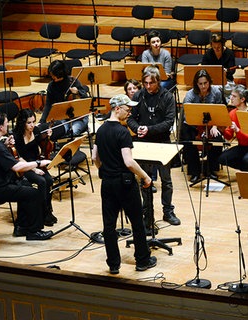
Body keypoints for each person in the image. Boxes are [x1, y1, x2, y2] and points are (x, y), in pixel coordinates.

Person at [92, 94, 157, 274]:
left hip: (108, 183)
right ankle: (142, 260)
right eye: (127, 109)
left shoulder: (101, 130)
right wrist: (145, 176)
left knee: (109, 225)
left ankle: (113, 264)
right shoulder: (122, 132)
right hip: (125, 183)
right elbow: (128, 162)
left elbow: (94, 157)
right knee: (137, 222)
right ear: (116, 108)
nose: (130, 113)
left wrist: (104, 169)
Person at [0, 112, 53, 241]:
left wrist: (5, 145)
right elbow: (17, 167)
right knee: (33, 193)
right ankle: (34, 231)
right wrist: (39, 163)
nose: (7, 126)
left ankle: (21, 227)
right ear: (1, 127)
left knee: (25, 186)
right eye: (6, 124)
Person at [126, 66, 181, 226]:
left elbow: (169, 121)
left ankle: (168, 211)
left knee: (166, 180)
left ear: (159, 81)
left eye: (151, 83)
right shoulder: (138, 95)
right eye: (145, 83)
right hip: (144, 142)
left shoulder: (167, 96)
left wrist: (150, 129)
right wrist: (137, 128)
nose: (148, 86)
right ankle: (147, 213)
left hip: (162, 142)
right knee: (145, 179)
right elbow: (131, 118)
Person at [13, 109, 57, 226]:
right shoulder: (17, 136)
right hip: (25, 166)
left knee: (49, 180)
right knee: (41, 181)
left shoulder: (36, 130)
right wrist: (34, 168)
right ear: (22, 123)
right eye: (29, 123)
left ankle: (47, 210)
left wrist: (48, 137)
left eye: (33, 121)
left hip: (37, 161)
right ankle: (40, 212)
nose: (32, 125)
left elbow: (43, 146)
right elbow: (19, 157)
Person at [180, 69, 224, 183]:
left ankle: (211, 169)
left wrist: (214, 126)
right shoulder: (190, 94)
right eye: (200, 84)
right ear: (196, 84)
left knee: (218, 139)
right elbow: (187, 116)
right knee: (188, 140)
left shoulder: (216, 92)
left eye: (205, 83)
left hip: (212, 124)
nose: (203, 86)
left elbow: (220, 111)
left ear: (209, 82)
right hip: (193, 124)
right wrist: (198, 128)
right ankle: (194, 171)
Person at [218, 85, 248, 173]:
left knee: (247, 160)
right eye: (231, 95)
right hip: (242, 146)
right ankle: (247, 169)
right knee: (222, 158)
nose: (231, 98)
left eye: (234, 96)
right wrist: (222, 130)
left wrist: (238, 130)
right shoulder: (232, 113)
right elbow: (229, 136)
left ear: (242, 99)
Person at [40, 60, 89, 138]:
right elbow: (48, 105)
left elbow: (86, 101)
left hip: (79, 118)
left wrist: (78, 92)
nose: (51, 76)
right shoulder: (51, 86)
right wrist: (42, 121)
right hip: (62, 117)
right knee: (61, 132)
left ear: (59, 74)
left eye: (53, 75)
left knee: (74, 131)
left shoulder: (73, 81)